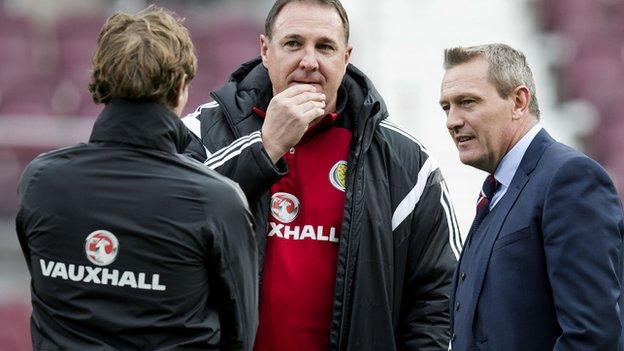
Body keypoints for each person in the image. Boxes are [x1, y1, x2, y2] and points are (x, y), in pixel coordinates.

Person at [182, 0, 461, 349]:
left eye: (325, 47)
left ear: (346, 58)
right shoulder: (197, 134)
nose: (309, 61)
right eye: (293, 43)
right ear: (265, 51)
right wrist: (264, 149)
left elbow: (440, 298)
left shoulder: (408, 163)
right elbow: (164, 227)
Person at [15, 6, 258, 350]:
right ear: (180, 91)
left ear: (99, 84)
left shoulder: (40, 182)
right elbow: (240, 336)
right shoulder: (217, 201)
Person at [439, 43, 624, 351]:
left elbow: (592, 337)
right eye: (446, 107)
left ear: (519, 101)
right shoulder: (497, 192)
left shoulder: (569, 179)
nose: (452, 121)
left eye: (467, 102)